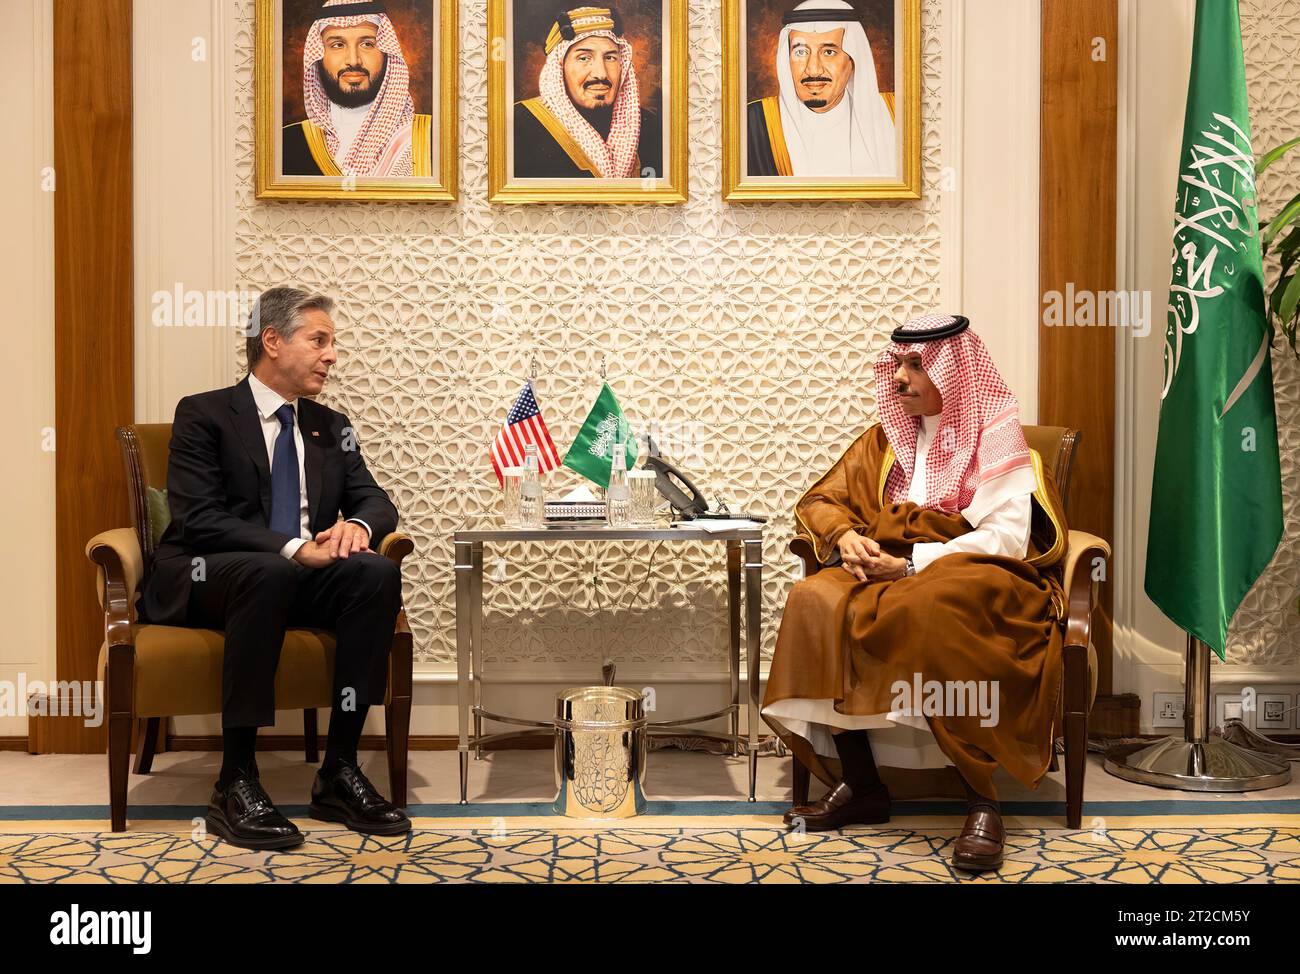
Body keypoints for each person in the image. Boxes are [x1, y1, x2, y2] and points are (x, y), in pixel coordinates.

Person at [762, 313, 1069, 872]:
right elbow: (820, 502)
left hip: (977, 573)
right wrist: (848, 536)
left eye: (915, 365)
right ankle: (862, 784)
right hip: (890, 566)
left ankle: (982, 799)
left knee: (930, 606)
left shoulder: (996, 435)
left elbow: (1005, 540)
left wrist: (909, 565)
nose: (898, 377)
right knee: (815, 598)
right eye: (897, 364)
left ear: (954, 372)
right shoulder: (884, 441)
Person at [142, 286, 410, 850]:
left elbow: (376, 500)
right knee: (270, 572)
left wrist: (355, 529)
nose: (332, 355)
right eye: (319, 340)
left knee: (375, 574)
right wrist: (291, 547)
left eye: (332, 343)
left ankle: (338, 771)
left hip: (293, 576)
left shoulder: (329, 423)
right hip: (206, 573)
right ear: (272, 341)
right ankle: (235, 778)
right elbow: (198, 519)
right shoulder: (204, 413)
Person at [283, 0, 434, 178]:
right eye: (337, 45)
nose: (354, 60)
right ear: (318, 57)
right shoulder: (287, 143)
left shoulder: (431, 138)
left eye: (367, 44)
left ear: (387, 54)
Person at [746, 0, 896, 177]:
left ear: (853, 60)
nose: (813, 69)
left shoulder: (897, 114)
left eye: (829, 52)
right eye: (800, 52)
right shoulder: (752, 123)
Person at [513, 5, 662, 179]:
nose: (601, 73)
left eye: (610, 58)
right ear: (560, 68)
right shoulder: (520, 125)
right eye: (584, 58)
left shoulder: (652, 127)